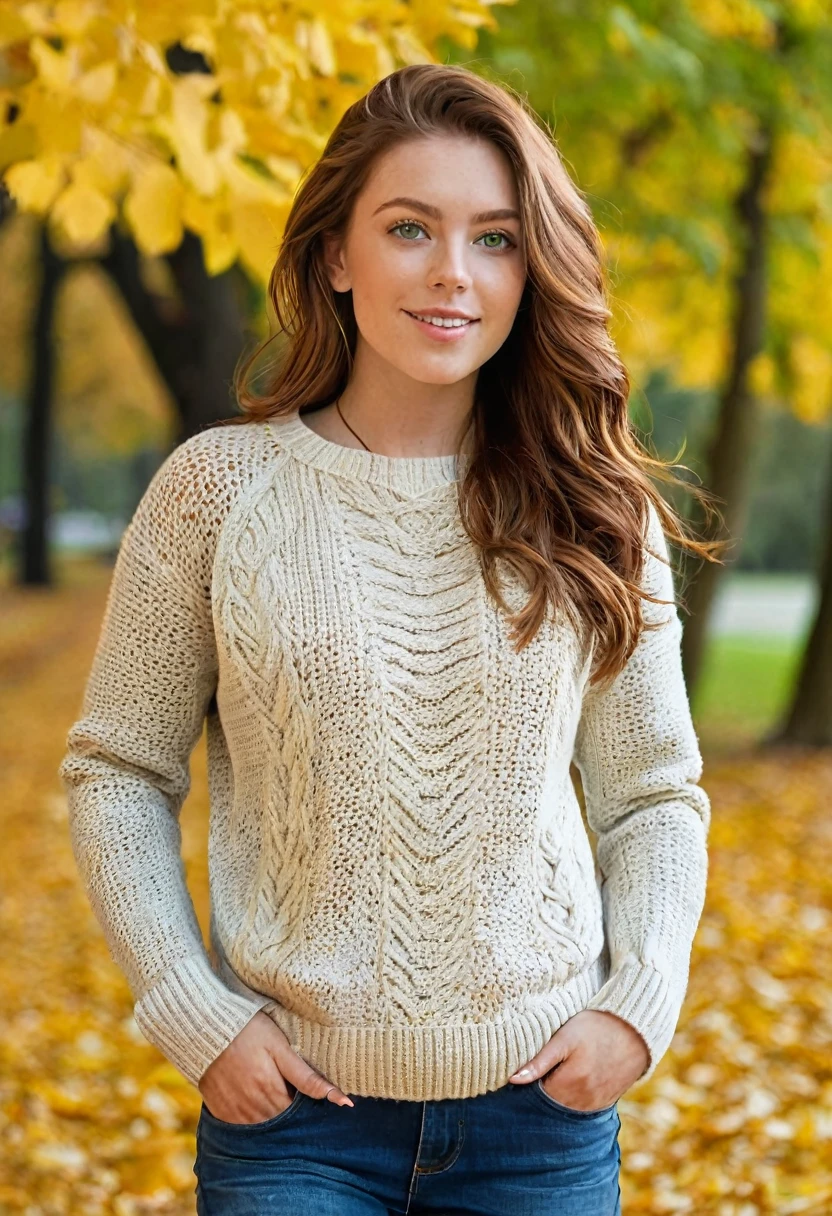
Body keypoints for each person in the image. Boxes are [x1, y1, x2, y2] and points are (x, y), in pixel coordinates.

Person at [59, 62, 723, 1216]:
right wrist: (190, 1008)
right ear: (334, 254)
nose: (451, 274)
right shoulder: (216, 494)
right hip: (294, 1126)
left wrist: (638, 1001)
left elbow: (653, 792)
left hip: (540, 1123)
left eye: (496, 238)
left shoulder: (592, 510)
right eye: (408, 228)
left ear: (532, 267)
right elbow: (117, 770)